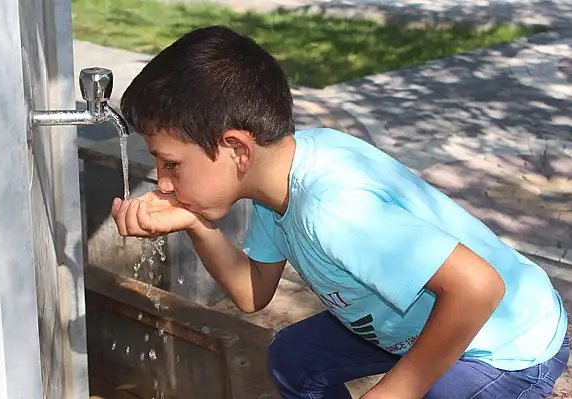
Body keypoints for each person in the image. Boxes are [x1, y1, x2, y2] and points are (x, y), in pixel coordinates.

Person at [110, 25, 569, 398]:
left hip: (506, 346)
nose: (163, 181)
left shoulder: (332, 207)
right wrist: (195, 222)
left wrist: (396, 392)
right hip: (414, 327)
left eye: (171, 163)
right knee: (295, 359)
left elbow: (479, 287)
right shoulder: (276, 179)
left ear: (236, 149)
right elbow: (253, 295)